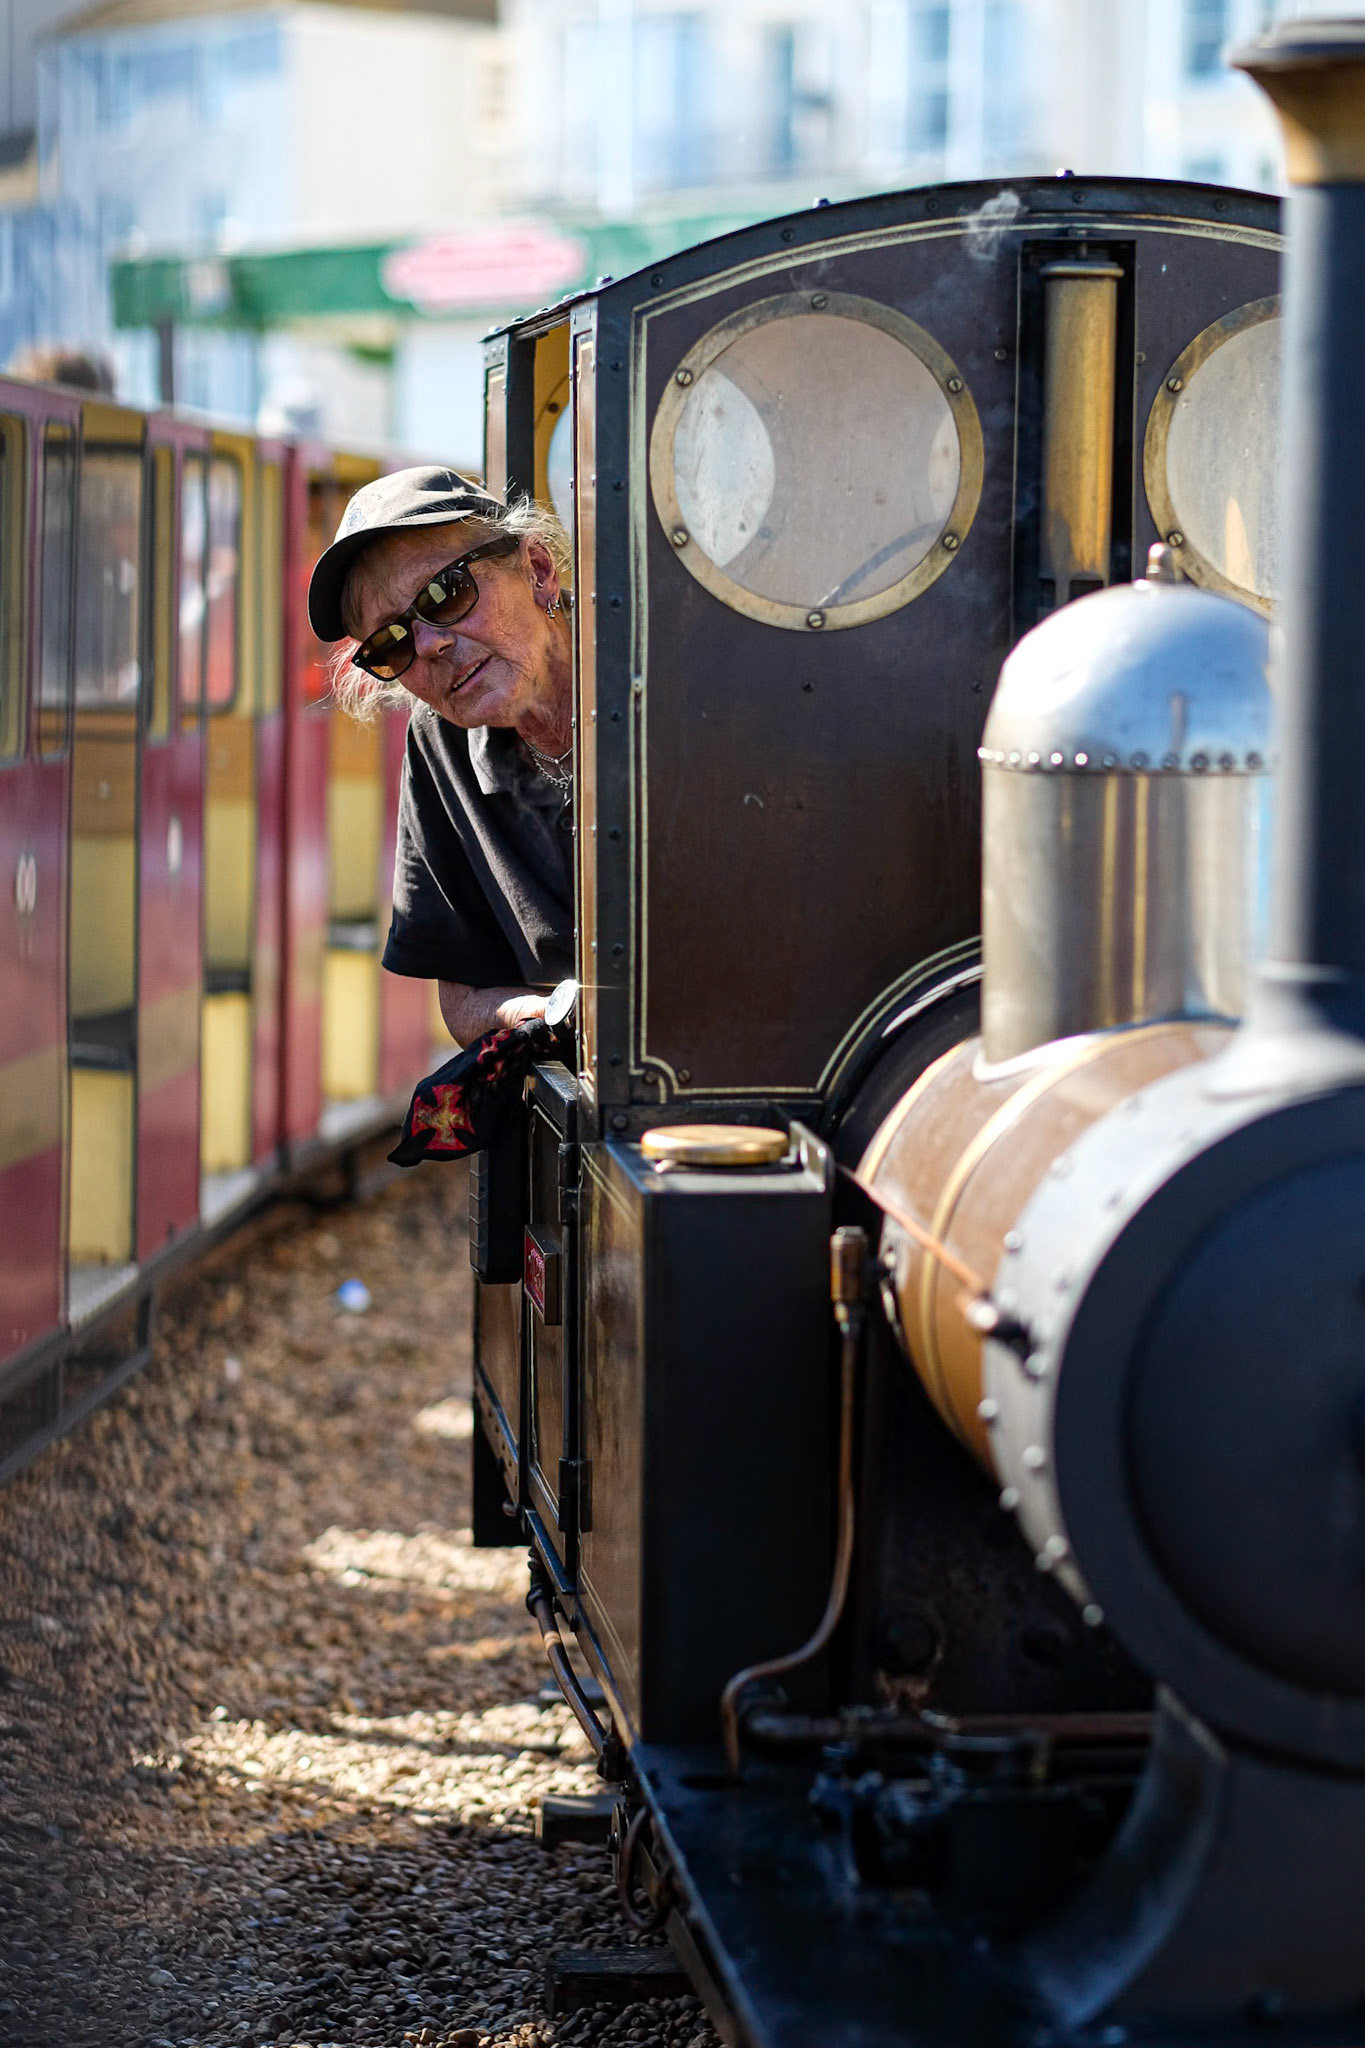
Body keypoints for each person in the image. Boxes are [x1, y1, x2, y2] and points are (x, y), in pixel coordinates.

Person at [308, 467, 575, 1046]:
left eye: (446, 593)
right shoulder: (439, 742)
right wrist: (549, 1014)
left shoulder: (655, 673)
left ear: (537, 570)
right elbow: (464, 999)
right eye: (391, 641)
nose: (430, 643)